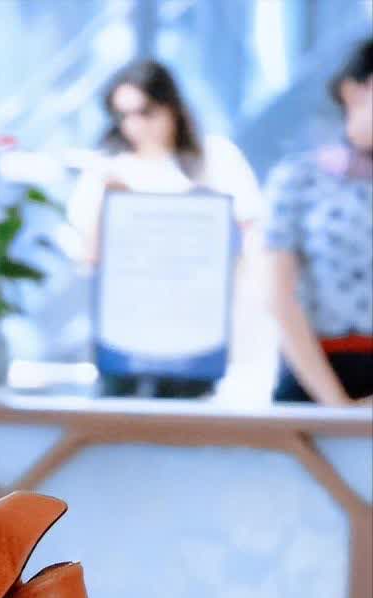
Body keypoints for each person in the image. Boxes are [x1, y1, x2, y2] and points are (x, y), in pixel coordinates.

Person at [67, 59, 265, 399]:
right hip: (128, 333)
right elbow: (88, 256)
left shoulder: (217, 159)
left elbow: (252, 235)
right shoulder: (106, 170)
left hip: (201, 330)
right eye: (123, 115)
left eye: (145, 112)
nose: (134, 125)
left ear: (170, 106)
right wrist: (109, 202)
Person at [262, 36, 373, 405]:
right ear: (353, 91)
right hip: (313, 379)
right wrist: (337, 406)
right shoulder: (298, 178)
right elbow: (279, 296)